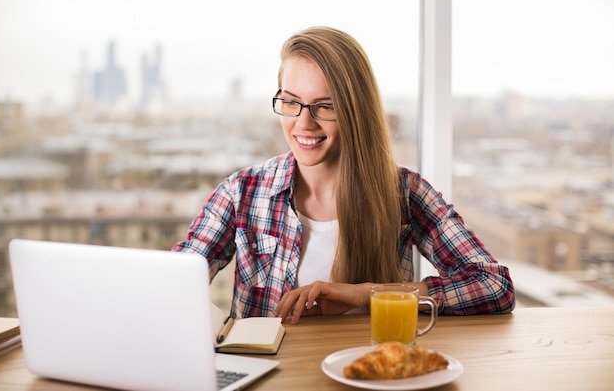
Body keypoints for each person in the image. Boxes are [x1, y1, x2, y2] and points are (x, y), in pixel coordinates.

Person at [172, 26, 515, 324]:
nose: (304, 124)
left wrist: (368, 294)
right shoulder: (241, 192)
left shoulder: (405, 193)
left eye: (326, 106)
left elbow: (494, 286)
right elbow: (169, 285)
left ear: (355, 111)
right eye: (291, 102)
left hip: (370, 372)